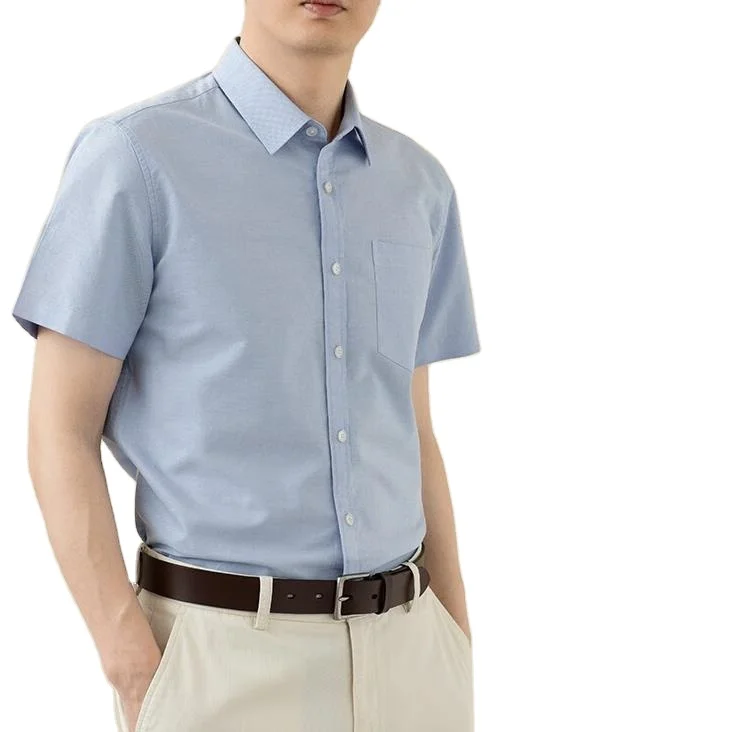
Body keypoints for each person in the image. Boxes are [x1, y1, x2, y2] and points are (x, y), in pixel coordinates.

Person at [11, 1, 481, 730]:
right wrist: (130, 661)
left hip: (411, 658)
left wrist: (453, 636)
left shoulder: (418, 184)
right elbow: (59, 429)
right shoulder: (135, 156)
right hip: (220, 663)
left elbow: (412, 428)